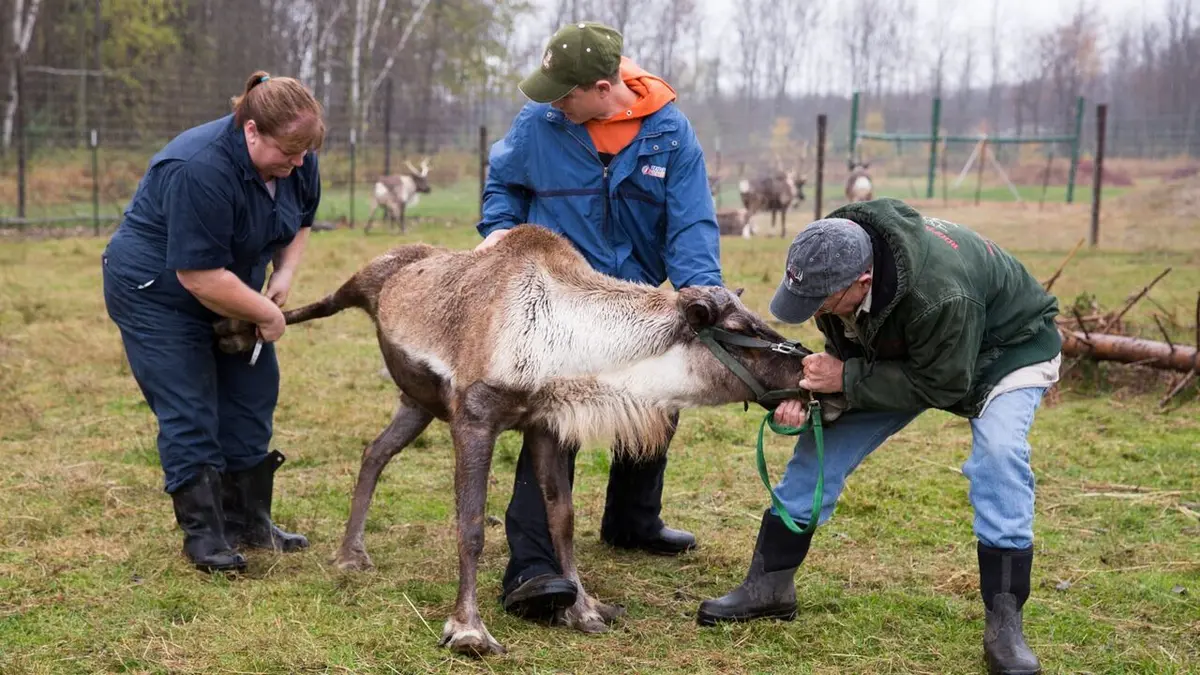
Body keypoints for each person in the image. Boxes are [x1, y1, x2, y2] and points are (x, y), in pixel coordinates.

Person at [697, 199, 1061, 675]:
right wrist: (811, 401)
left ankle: (1005, 624)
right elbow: (848, 354)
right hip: (919, 352)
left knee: (998, 457)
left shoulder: (939, 294)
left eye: (821, 303)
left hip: (1006, 352)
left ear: (863, 281)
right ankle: (769, 586)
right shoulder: (834, 260)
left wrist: (846, 379)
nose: (814, 311)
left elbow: (944, 384)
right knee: (819, 451)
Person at [474, 21, 721, 619]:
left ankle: (634, 522)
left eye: (565, 93)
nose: (553, 102)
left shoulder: (668, 134)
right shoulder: (540, 123)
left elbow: (689, 220)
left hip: (634, 295)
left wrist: (700, 293)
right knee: (555, 420)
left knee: (657, 399)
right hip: (559, 299)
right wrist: (500, 230)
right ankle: (532, 565)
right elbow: (503, 180)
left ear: (603, 89)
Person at [102, 71, 323, 573]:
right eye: (288, 152)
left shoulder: (297, 156)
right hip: (156, 290)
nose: (297, 163)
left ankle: (248, 521)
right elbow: (198, 276)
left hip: (229, 282)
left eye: (304, 153)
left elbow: (303, 219)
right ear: (251, 131)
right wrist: (267, 312)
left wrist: (285, 273)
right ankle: (206, 537)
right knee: (190, 404)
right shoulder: (199, 167)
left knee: (252, 392)